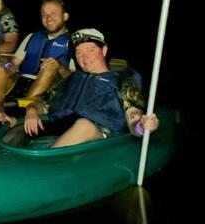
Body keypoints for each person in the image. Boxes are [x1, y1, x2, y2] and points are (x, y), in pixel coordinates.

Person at [22, 28, 158, 147]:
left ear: (104, 51)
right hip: (59, 134)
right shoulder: (70, 80)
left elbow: (133, 118)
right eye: (78, 52)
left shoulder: (122, 80)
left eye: (90, 50)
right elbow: (44, 103)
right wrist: (32, 110)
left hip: (97, 140)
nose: (84, 57)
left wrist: (142, 127)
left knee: (83, 126)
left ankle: (45, 167)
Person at [8, 0, 73, 99]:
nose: (48, 18)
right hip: (21, 84)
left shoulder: (73, 43)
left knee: (50, 69)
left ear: (65, 16)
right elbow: (12, 63)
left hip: (50, 92)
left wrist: (59, 66)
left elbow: (74, 79)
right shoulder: (32, 37)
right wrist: (8, 67)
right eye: (44, 14)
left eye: (53, 13)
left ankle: (25, 105)